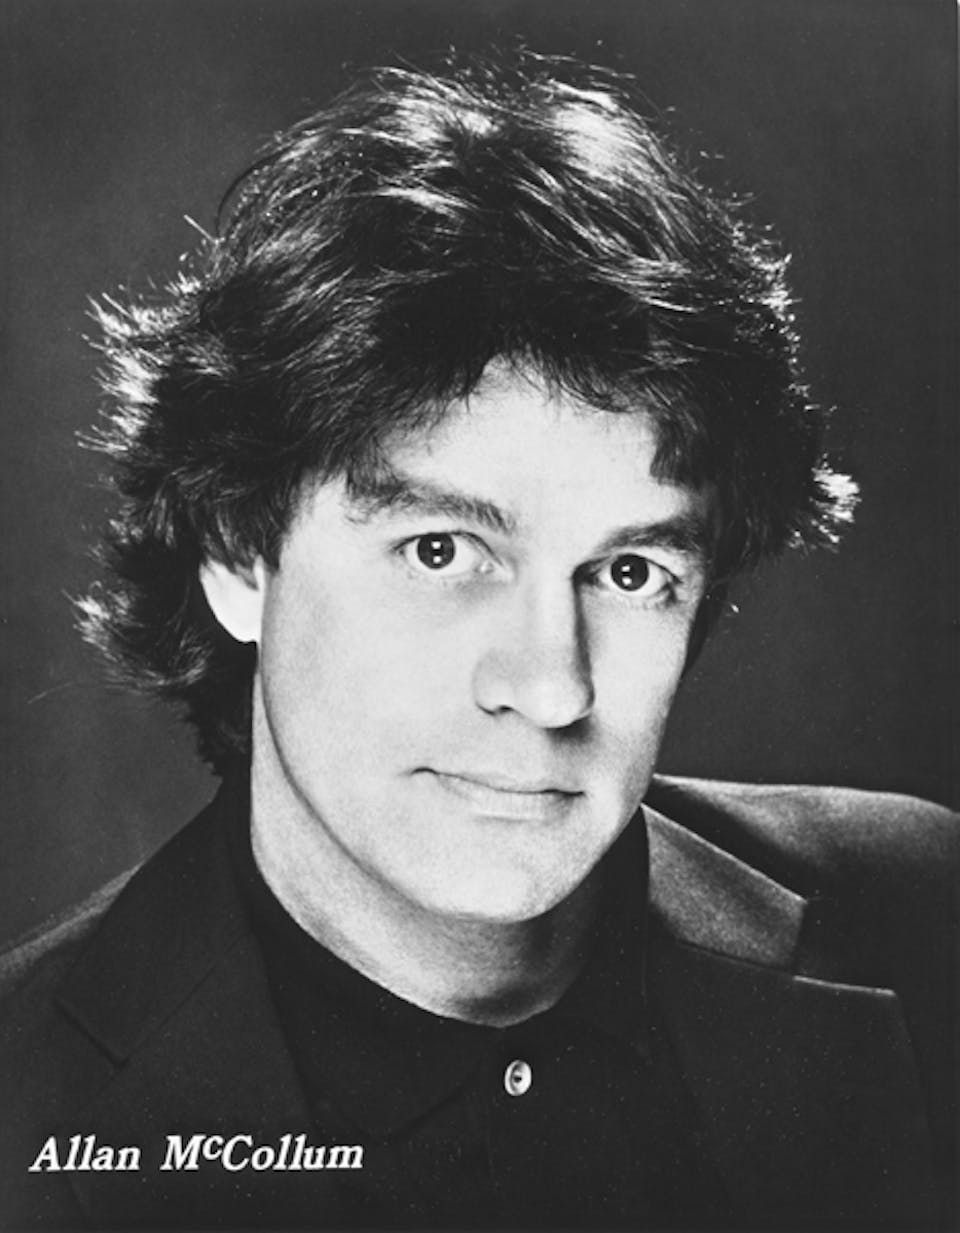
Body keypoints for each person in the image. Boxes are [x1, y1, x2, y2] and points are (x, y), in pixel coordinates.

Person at [0, 52, 955, 1232]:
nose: (551, 686)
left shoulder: (927, 917)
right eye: (444, 550)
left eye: (629, 573)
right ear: (238, 555)